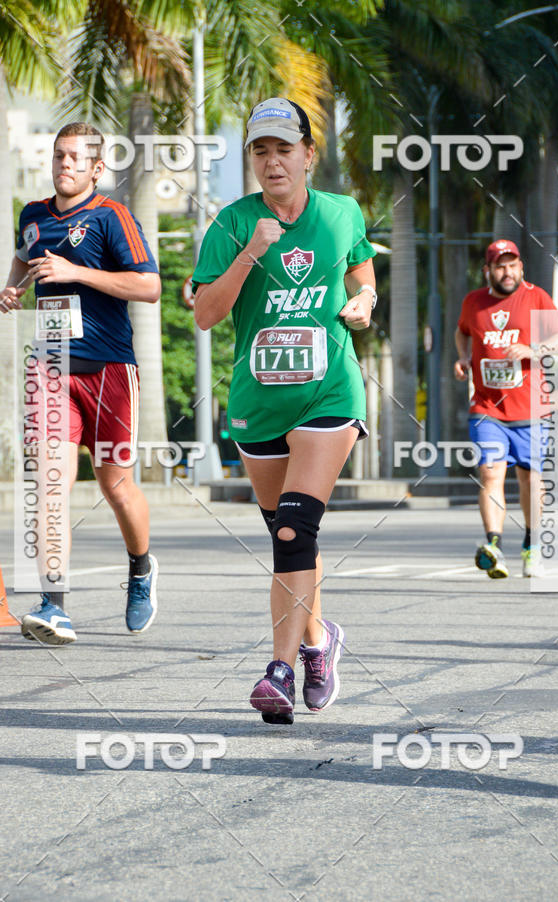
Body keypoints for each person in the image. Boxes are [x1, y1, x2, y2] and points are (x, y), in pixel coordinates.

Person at [192, 98, 376, 724]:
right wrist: (251, 252)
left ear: (307, 155)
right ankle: (320, 642)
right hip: (259, 400)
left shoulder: (339, 212)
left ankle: (279, 669)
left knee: (296, 527)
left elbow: (360, 268)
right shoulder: (232, 223)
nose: (272, 162)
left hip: (329, 391)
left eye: (284, 149)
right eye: (260, 151)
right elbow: (205, 314)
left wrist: (367, 299)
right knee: (289, 538)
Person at [1, 122, 161, 644]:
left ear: (96, 168)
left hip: (110, 370)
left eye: (76, 158)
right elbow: (24, 261)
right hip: (49, 366)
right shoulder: (32, 215)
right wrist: (12, 290)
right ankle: (54, 604)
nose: (65, 165)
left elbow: (149, 286)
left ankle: (140, 570)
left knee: (116, 485)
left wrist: (77, 273)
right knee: (49, 482)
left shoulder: (112, 217)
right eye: (58, 156)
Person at [454, 239, 558, 579]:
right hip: (487, 407)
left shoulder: (536, 297)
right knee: (490, 472)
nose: (507, 271)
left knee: (530, 478)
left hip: (531, 408)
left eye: (513, 265)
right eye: (500, 266)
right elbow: (462, 333)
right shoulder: (474, 302)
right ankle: (494, 546)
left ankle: (531, 545)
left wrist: (533, 349)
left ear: (521, 268)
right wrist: (462, 357)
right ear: (488, 270)